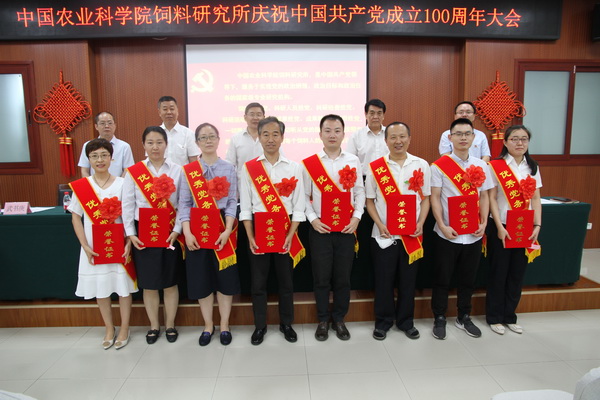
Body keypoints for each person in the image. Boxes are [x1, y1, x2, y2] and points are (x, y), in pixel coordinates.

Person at [239, 116, 306, 345]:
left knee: (286, 283)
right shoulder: (250, 168)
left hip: (286, 231)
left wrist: (290, 235)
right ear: (258, 137)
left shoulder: (294, 167)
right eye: (265, 134)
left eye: (275, 134)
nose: (270, 139)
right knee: (258, 284)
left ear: (282, 137)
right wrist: (250, 236)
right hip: (258, 232)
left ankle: (287, 324)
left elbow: (299, 207)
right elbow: (245, 207)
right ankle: (260, 326)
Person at [69, 138, 136, 350]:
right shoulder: (82, 186)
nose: (100, 160)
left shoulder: (122, 184)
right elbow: (75, 217)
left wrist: (128, 242)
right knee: (101, 289)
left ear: (111, 158)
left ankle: (124, 328)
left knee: (123, 288)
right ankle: (109, 328)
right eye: (95, 156)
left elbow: (129, 216)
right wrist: (85, 246)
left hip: (119, 246)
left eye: (104, 155)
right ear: (88, 159)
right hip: (94, 247)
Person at [365, 122, 431, 341]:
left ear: (409, 139)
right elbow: (369, 201)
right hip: (383, 236)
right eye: (393, 137)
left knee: (408, 282)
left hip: (412, 235)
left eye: (402, 136)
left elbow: (426, 198)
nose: (398, 141)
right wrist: (379, 224)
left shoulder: (421, 165)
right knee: (383, 282)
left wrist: (421, 223)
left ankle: (406, 322)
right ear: (386, 141)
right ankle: (383, 322)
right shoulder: (376, 167)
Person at [302, 114, 365, 341]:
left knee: (342, 278)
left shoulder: (353, 160)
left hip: (346, 229)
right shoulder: (309, 164)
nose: (332, 135)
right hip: (320, 229)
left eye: (337, 131)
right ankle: (322, 320)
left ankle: (339, 319)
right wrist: (313, 220)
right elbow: (304, 196)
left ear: (343, 134)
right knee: (321, 277)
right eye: (327, 130)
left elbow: (359, 192)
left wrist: (356, 218)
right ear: (320, 134)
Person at [430, 118, 494, 340]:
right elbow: (435, 197)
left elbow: (484, 196)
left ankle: (463, 316)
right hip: (447, 233)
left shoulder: (481, 165)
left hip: (473, 234)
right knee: (442, 278)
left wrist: (484, 222)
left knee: (468, 279)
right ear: (450, 138)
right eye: (458, 134)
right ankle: (439, 317)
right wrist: (442, 225)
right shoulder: (439, 166)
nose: (463, 138)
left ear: (474, 138)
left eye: (467, 134)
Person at [179, 123, 240, 346]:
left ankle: (224, 325)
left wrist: (228, 229)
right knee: (201, 280)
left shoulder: (229, 168)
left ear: (218, 139)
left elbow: (232, 201)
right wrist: (187, 233)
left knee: (225, 280)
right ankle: (208, 325)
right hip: (196, 229)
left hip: (222, 226)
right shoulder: (189, 171)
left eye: (212, 136)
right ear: (197, 142)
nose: (208, 141)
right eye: (203, 137)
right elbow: (184, 204)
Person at [122, 126, 184, 344]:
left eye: (159, 142)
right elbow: (127, 205)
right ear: (143, 145)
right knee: (149, 283)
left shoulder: (178, 170)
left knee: (170, 282)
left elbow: (183, 204)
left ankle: (170, 325)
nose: (155, 147)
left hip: (170, 232)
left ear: (166, 144)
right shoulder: (134, 172)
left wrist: (177, 230)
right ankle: (154, 326)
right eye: (150, 142)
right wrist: (131, 234)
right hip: (144, 234)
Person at [486, 125, 542, 335]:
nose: (520, 143)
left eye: (524, 139)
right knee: (498, 273)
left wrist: (537, 225)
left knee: (517, 274)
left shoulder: (532, 167)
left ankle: (510, 316)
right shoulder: (495, 166)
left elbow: (536, 198)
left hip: (524, 227)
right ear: (505, 142)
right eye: (515, 139)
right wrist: (498, 227)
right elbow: (491, 198)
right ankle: (494, 317)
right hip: (501, 226)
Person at [78, 111, 135, 177]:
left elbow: (127, 170)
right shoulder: (88, 145)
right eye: (102, 123)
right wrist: (90, 184)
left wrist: (119, 183)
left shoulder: (124, 146)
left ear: (115, 126)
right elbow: (84, 170)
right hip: (94, 183)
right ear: (96, 126)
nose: (107, 126)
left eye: (110, 123)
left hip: (119, 183)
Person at [225, 102, 266, 191]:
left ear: (263, 117)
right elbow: (230, 165)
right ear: (245, 117)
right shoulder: (236, 138)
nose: (255, 118)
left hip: (266, 187)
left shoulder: (270, 139)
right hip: (243, 188)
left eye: (258, 115)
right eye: (252, 114)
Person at [346, 98, 389, 176]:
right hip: (364, 180)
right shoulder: (356, 136)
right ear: (366, 114)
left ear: (383, 115)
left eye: (379, 113)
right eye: (372, 113)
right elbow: (349, 161)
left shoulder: (391, 134)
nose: (375, 117)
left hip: (388, 179)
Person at [157, 96, 200, 166]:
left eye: (172, 109)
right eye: (165, 109)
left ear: (177, 111)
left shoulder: (188, 134)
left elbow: (193, 162)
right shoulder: (155, 134)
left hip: (182, 173)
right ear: (159, 112)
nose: (169, 112)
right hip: (160, 173)